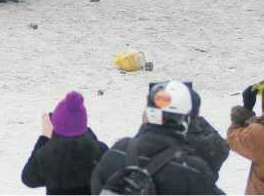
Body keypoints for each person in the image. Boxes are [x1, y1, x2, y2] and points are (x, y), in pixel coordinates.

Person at [91, 80, 220, 195]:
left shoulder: (119, 150)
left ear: (148, 113)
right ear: (187, 118)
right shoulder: (193, 169)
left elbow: (96, 186)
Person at [21, 91, 108, 195]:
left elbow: (28, 179)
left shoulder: (46, 154)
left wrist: (44, 138)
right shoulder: (100, 149)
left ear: (56, 123)